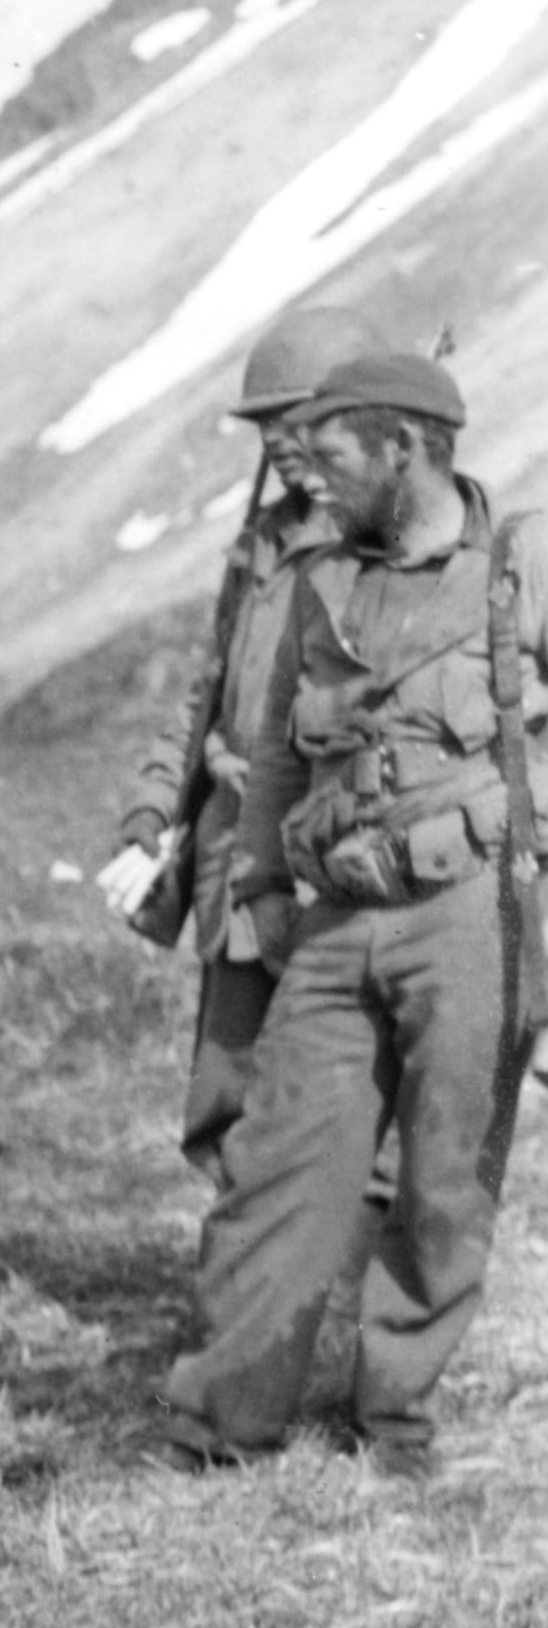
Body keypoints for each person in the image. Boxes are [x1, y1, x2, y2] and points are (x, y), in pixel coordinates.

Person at [164, 340, 529, 1475]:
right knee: (276, 1172)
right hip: (330, 923)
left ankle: (394, 1420)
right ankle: (220, 1424)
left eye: (328, 454)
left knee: (442, 1180)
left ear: (404, 447)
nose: (304, 475)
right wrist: (265, 890)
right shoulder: (319, 580)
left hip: (472, 921)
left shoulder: (524, 568)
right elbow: (276, 753)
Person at [105, 311, 377, 1202]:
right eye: (264, 425)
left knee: (328, 1105)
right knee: (222, 1109)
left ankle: (319, 1303)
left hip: (319, 873)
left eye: (292, 418)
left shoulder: (380, 550)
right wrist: (154, 809)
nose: (276, 441)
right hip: (232, 871)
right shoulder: (258, 544)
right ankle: (243, 1297)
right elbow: (205, 689)